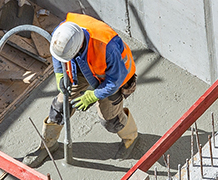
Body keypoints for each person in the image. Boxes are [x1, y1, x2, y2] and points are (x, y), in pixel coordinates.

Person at [25, 13, 139, 168]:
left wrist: (93, 95)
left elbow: (115, 81)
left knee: (109, 120)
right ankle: (47, 146)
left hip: (110, 75)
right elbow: (58, 56)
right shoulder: (62, 34)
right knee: (60, 107)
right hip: (81, 66)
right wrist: (59, 73)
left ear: (78, 47)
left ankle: (131, 138)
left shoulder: (107, 47)